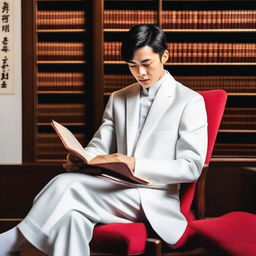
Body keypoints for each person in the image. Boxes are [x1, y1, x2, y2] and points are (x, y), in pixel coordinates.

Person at [0, 24, 208, 256]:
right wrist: (82, 159)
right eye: (132, 66)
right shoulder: (119, 98)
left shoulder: (189, 101)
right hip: (111, 188)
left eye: (146, 64)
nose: (140, 73)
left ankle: (11, 243)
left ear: (165, 56)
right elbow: (99, 145)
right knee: (71, 219)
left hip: (153, 197)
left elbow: (191, 167)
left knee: (64, 184)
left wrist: (134, 163)